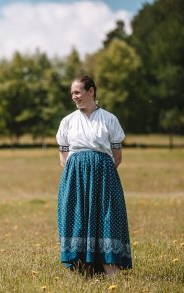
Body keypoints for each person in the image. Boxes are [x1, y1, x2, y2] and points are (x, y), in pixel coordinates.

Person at [56, 75, 132, 276]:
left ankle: (110, 269)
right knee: (77, 218)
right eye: (72, 93)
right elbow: (64, 157)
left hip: (104, 177)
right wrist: (77, 173)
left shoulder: (109, 119)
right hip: (76, 178)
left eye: (78, 92)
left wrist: (100, 171)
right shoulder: (68, 122)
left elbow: (117, 157)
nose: (74, 96)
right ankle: (83, 270)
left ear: (91, 91)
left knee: (106, 217)